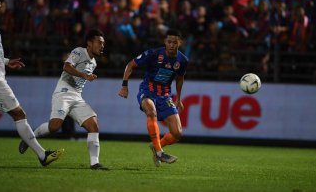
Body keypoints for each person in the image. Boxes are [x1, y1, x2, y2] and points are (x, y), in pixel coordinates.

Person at [0, 0, 63, 166]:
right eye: (0, 5)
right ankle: (42, 155)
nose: (2, 8)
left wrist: (8, 62)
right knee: (19, 114)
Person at [18, 29, 108, 170]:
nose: (102, 46)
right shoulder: (79, 51)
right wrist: (84, 76)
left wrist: (85, 77)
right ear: (89, 43)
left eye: (103, 43)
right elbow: (66, 67)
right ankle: (30, 137)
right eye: (99, 42)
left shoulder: (94, 62)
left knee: (94, 126)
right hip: (64, 92)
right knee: (54, 127)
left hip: (77, 97)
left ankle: (94, 163)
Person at [118, 29, 189, 167]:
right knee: (151, 111)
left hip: (165, 95)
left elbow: (180, 78)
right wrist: (124, 85)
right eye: (169, 42)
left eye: (175, 42)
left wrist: (179, 98)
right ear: (165, 42)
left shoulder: (183, 60)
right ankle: (159, 153)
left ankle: (156, 146)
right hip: (147, 91)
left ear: (180, 43)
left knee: (177, 133)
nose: (172, 45)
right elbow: (130, 65)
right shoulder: (154, 53)